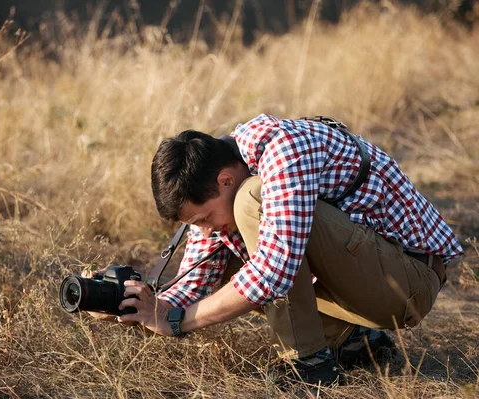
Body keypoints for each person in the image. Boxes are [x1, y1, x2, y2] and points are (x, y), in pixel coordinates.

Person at [112, 114, 463, 386]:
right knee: (235, 245)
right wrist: (129, 305)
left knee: (253, 205)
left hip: (408, 283)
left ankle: (309, 364)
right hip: (368, 282)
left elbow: (274, 272)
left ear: (224, 180)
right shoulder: (226, 179)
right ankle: (350, 342)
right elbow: (198, 281)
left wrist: (176, 321)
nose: (203, 231)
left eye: (203, 218)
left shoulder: (283, 151)